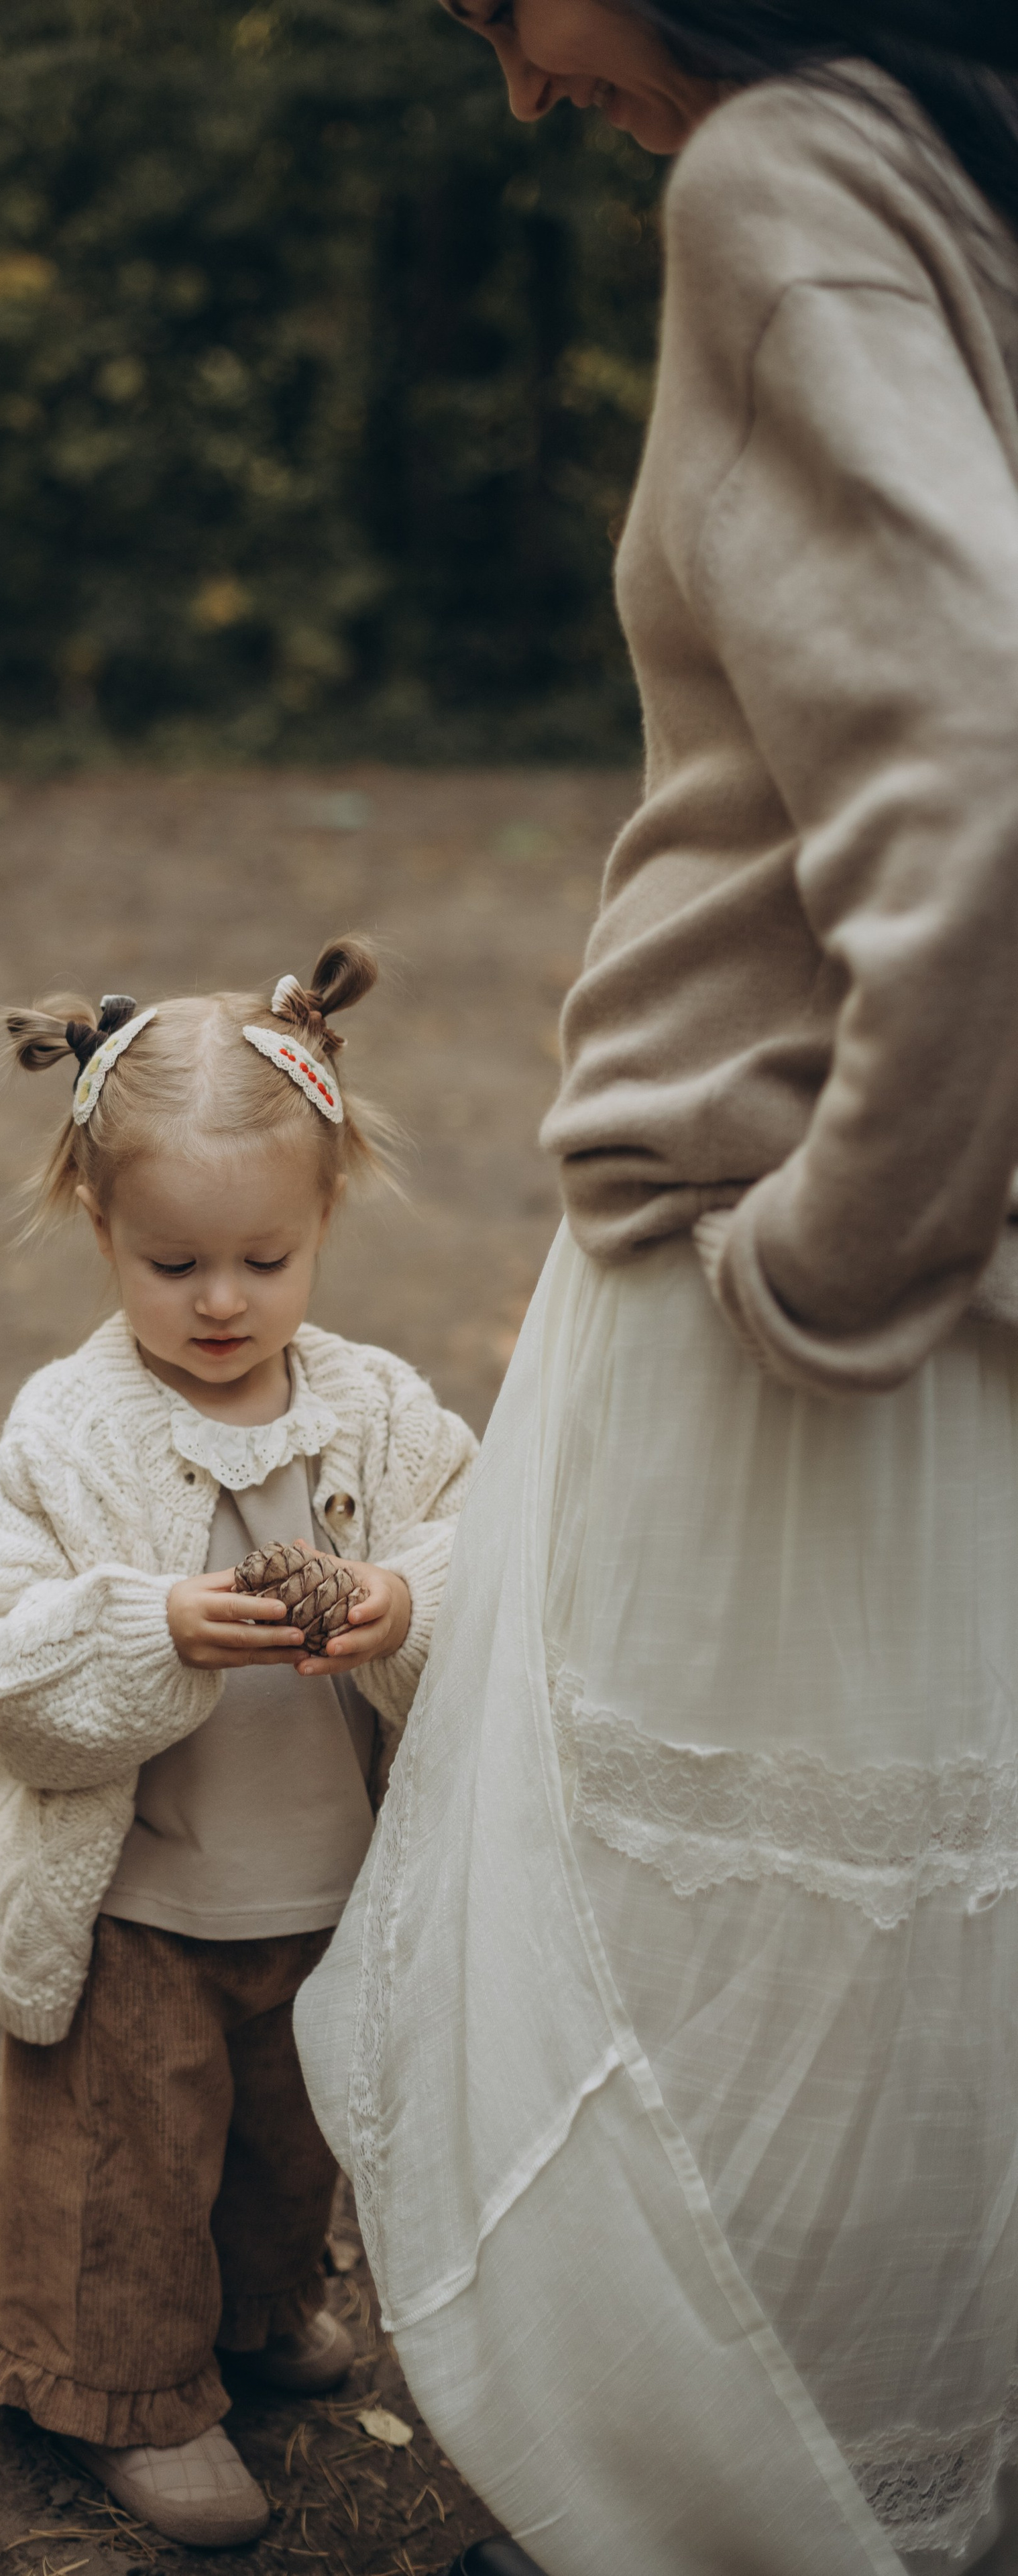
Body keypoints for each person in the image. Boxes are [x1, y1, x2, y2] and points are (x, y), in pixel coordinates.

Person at [294, 10, 1018, 2576]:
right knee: (907, 1949)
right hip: (947, 1266)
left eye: (505, 4)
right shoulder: (961, 165)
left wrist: (840, 1250)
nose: (513, 82)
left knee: (715, 1957)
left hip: (801, 1278)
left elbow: (980, 764)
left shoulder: (785, 175)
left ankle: (706, 2510)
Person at [0, 940, 479, 2549]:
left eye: (263, 1257)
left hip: (319, 1884)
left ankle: (251, 2311)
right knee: (126, 2159)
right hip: (135, 1905)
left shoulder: (375, 1410)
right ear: (98, 1226)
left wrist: (397, 1599)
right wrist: (144, 1626)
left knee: (283, 2139)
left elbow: (484, 1543)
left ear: (325, 1216)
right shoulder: (69, 1430)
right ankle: (121, 2388)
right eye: (171, 1265)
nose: (220, 1300)